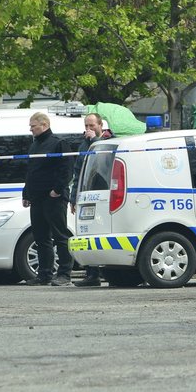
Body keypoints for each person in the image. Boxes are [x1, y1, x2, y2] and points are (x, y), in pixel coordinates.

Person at [22, 112, 75, 286]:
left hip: (53, 198)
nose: (30, 129)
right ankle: (44, 274)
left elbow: (67, 169)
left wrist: (57, 190)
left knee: (60, 236)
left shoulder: (59, 143)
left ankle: (64, 274)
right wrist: (26, 193)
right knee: (40, 237)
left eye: (33, 126)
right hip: (36, 198)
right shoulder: (34, 145)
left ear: (44, 125)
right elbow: (31, 172)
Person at [69, 113, 113, 287]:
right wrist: (73, 197)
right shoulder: (84, 144)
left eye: (91, 125)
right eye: (86, 126)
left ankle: (109, 271)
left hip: (105, 195)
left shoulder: (109, 141)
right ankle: (92, 274)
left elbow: (105, 163)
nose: (88, 129)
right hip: (87, 196)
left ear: (101, 125)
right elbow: (78, 171)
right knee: (88, 234)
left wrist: (94, 141)